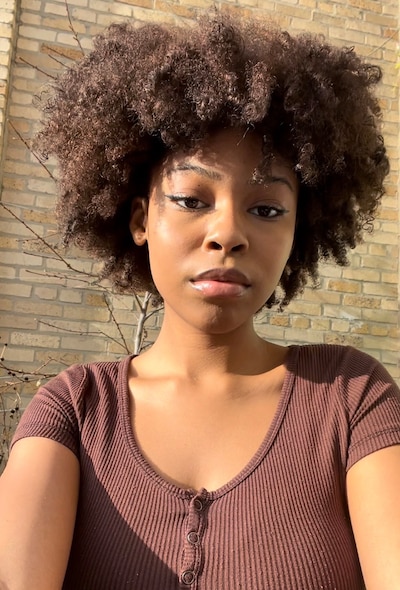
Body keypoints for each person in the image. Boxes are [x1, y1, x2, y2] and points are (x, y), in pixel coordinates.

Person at [0, 12, 399, 590]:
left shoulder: (352, 400)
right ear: (140, 220)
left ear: (297, 232)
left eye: (266, 209)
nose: (228, 232)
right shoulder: (75, 411)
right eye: (191, 199)